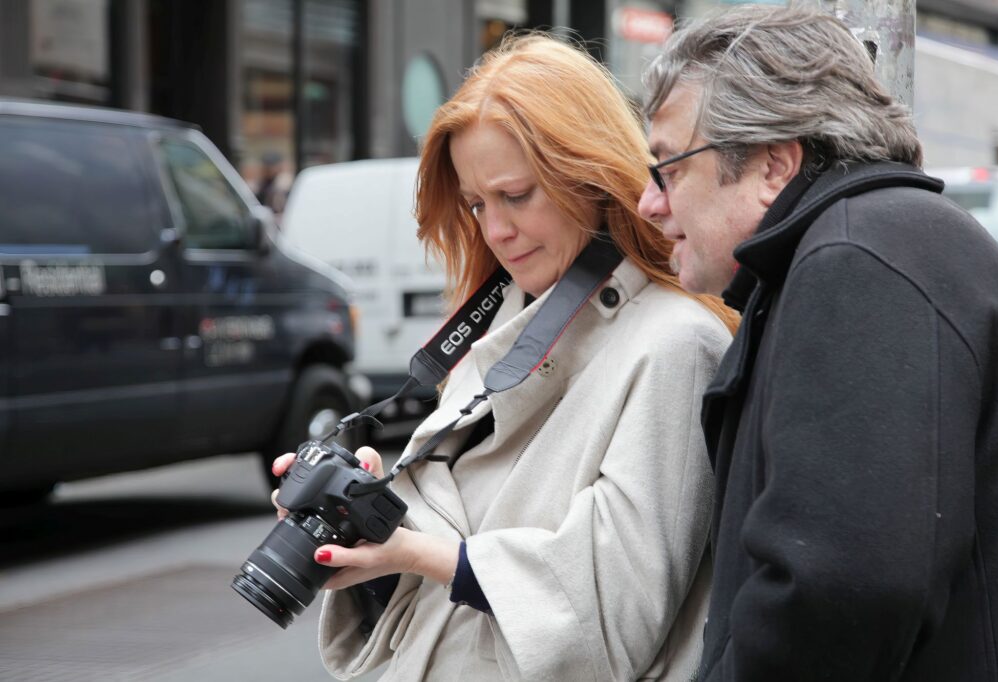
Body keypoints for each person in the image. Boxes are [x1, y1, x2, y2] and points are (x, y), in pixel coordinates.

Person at [271, 35, 737, 681]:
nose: (495, 231)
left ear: (593, 178)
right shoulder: (500, 330)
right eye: (476, 204)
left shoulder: (675, 344)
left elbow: (618, 617)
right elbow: (442, 603)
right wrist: (371, 532)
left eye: (516, 195)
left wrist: (425, 554)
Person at [637, 6, 998, 682]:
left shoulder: (859, 261)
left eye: (668, 167)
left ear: (774, 166)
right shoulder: (871, 246)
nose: (649, 203)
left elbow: (841, 588)